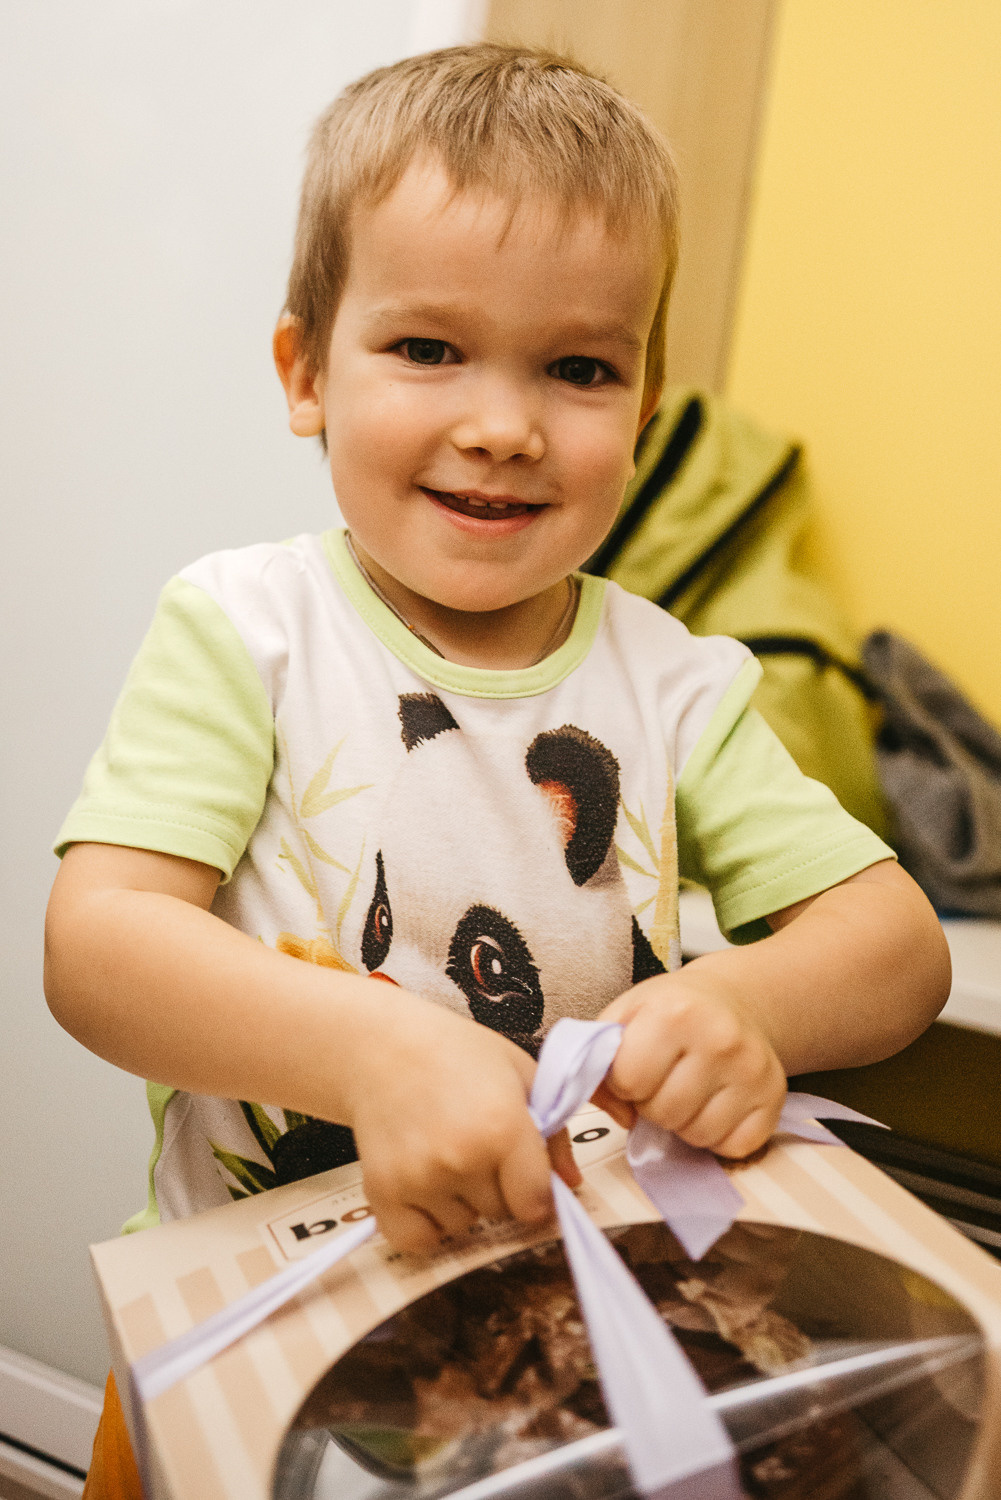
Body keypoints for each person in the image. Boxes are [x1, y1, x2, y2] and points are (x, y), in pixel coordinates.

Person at [44, 45, 949, 1496]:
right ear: (303, 373)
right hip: (248, 1346)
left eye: (578, 369)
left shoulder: (678, 686)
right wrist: (378, 1049)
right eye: (426, 349)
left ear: (642, 417)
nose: (504, 424)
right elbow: (98, 949)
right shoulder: (244, 633)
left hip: (554, 1352)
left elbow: (895, 951)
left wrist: (740, 1003)